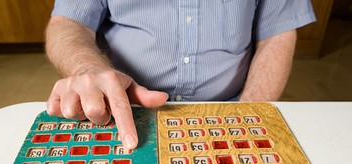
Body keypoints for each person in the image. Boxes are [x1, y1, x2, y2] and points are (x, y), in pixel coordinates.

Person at [45, 0, 316, 149]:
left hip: (232, 109)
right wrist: (87, 68)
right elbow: (69, 22)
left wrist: (247, 115)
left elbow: (277, 32)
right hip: (119, 110)